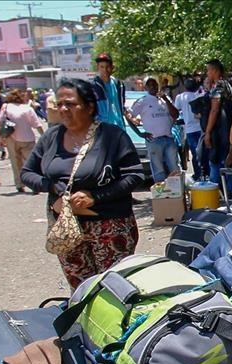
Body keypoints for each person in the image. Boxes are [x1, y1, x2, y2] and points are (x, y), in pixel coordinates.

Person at [21, 78, 142, 290]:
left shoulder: (112, 137)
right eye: (60, 104)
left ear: (89, 106)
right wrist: (55, 189)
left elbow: (133, 175)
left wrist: (95, 197)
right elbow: (27, 173)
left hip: (110, 227)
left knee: (114, 288)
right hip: (68, 228)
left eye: (70, 103)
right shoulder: (51, 137)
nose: (64, 109)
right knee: (81, 289)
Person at [130, 77, 180, 184]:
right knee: (159, 171)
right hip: (154, 140)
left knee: (174, 168)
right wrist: (139, 133)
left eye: (154, 84)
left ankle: (177, 194)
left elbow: (175, 115)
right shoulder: (142, 101)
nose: (153, 87)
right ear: (146, 87)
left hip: (168, 138)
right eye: (150, 85)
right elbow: (129, 116)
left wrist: (166, 100)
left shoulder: (165, 99)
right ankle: (161, 196)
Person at [0, 89, 45, 193]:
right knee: (31, 162)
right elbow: (37, 124)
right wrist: (44, 137)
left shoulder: (5, 107)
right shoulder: (27, 108)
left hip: (11, 138)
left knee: (15, 162)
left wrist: (0, 137)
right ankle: (34, 184)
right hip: (27, 138)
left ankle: (19, 184)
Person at [202, 59, 232, 187]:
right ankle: (229, 191)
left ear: (215, 70)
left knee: (218, 161)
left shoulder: (219, 86)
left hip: (221, 132)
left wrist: (207, 132)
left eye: (208, 70)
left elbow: (215, 109)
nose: (207, 73)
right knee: (227, 160)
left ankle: (218, 191)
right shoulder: (226, 85)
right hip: (227, 130)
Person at [173, 78, 206, 181]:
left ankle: (197, 174)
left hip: (189, 129)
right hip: (201, 127)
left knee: (194, 152)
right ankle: (204, 173)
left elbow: (176, 109)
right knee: (202, 152)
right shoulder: (199, 95)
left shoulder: (180, 97)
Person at [90, 53, 128, 130]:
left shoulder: (119, 85)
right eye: (102, 67)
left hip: (120, 128)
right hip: (103, 130)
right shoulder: (92, 87)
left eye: (107, 67)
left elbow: (121, 108)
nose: (105, 70)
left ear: (112, 67)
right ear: (98, 67)